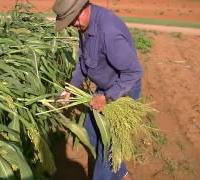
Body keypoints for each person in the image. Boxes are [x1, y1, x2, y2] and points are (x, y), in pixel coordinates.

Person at [52, 0, 143, 179]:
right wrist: (70, 89)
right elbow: (83, 62)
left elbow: (134, 72)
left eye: (72, 20)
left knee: (106, 146)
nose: (72, 25)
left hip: (121, 91)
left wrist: (107, 98)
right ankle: (119, 172)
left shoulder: (108, 33)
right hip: (105, 88)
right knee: (90, 131)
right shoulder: (84, 26)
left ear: (82, 9)